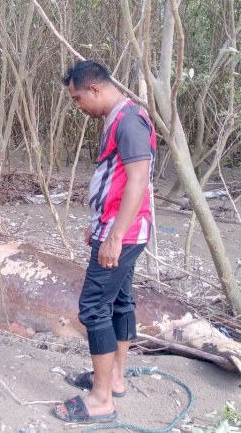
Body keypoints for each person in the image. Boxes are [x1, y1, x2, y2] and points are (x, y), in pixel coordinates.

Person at [53, 60, 156, 423]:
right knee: (120, 301)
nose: (78, 106)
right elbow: (114, 180)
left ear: (95, 89)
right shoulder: (118, 119)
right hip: (117, 229)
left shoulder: (129, 121)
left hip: (123, 235)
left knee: (93, 307)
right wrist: (99, 224)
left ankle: (100, 401)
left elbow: (138, 181)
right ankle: (113, 378)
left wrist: (112, 237)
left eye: (78, 98)